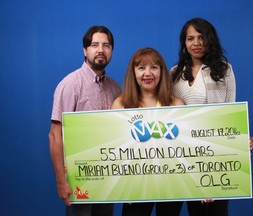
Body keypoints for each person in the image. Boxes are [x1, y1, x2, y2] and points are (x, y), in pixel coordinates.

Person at [170, 17, 253, 215]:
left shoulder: (224, 70)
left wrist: (239, 140)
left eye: (201, 37)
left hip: (214, 155)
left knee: (214, 209)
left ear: (210, 40)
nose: (196, 43)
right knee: (190, 209)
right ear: (184, 42)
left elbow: (230, 113)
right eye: (190, 38)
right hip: (183, 155)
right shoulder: (175, 72)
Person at [48, 25, 121, 216]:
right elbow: (55, 136)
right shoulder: (71, 84)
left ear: (111, 50)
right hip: (79, 180)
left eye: (106, 45)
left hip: (107, 180)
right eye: (95, 45)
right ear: (85, 50)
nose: (100, 50)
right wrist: (60, 181)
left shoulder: (115, 89)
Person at [111, 47, 184, 216]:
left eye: (154, 67)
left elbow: (188, 148)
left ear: (161, 72)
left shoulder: (176, 105)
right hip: (135, 186)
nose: (148, 73)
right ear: (133, 73)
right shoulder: (121, 105)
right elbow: (114, 149)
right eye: (141, 68)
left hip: (170, 185)